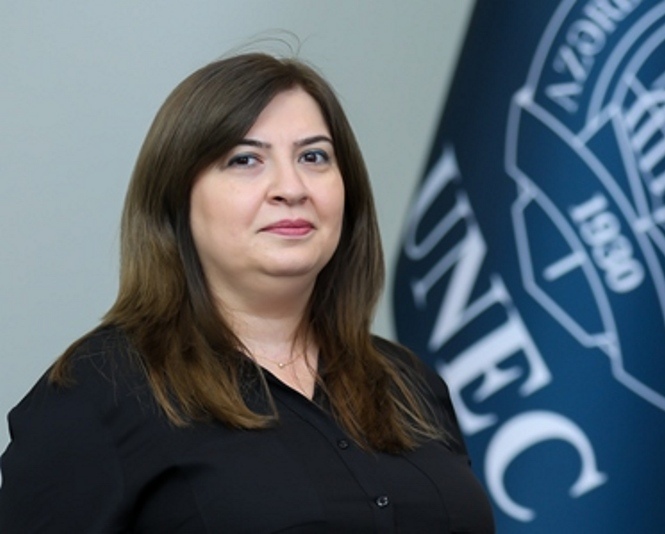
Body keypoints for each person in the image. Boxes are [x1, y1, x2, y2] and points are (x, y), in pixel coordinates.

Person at [0, 52, 495, 533]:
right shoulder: (99, 390)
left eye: (314, 156)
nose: (291, 187)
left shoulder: (407, 382)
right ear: (177, 199)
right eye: (245, 160)